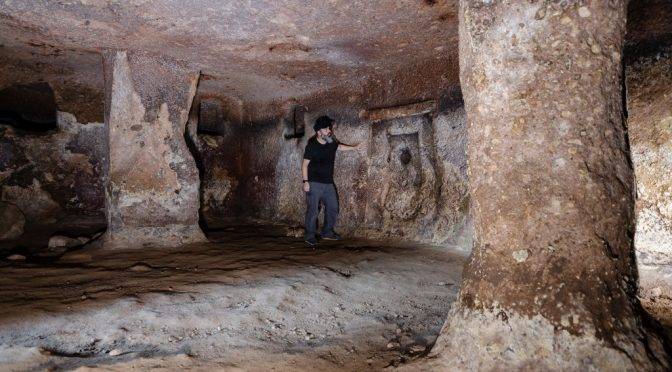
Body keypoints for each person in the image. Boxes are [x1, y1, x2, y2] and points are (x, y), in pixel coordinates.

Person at [302, 115, 359, 246]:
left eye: (329, 127)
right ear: (318, 131)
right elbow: (304, 165)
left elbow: (339, 147)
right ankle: (309, 235)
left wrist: (354, 147)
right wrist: (305, 182)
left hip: (328, 183)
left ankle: (327, 232)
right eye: (325, 128)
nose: (329, 130)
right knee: (313, 210)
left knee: (333, 207)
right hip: (314, 182)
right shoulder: (312, 146)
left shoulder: (331, 141)